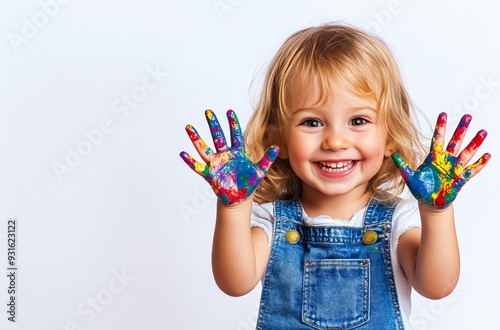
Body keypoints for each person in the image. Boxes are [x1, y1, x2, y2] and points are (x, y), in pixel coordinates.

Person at [179, 23, 490, 329]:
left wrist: (437, 212)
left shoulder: (396, 221)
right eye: (312, 123)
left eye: (358, 120)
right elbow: (235, 283)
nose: (335, 142)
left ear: (390, 136)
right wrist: (233, 207)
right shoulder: (272, 220)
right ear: (279, 140)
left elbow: (437, 286)